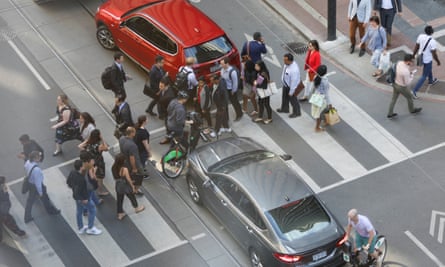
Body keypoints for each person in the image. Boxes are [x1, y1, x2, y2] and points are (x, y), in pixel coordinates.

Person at [66, 155, 102, 236]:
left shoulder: (72, 172)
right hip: (83, 198)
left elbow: (68, 183)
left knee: (79, 211)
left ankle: (81, 227)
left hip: (76, 197)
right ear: (81, 167)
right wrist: (85, 198)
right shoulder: (81, 179)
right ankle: (90, 228)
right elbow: (83, 190)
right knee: (92, 209)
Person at [24, 151, 60, 223]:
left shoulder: (28, 162)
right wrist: (40, 192)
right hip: (36, 186)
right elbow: (38, 183)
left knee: (30, 201)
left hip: (31, 184)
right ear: (35, 158)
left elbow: (25, 167)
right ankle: (51, 211)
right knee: (45, 198)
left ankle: (27, 216)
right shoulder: (37, 170)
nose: (40, 158)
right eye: (39, 157)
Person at [387, 54, 422, 118]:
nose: (413, 63)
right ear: (408, 61)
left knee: (394, 99)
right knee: (410, 97)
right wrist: (411, 75)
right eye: (412, 61)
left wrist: (409, 73)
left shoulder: (399, 63)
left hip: (395, 83)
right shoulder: (405, 71)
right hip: (401, 87)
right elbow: (407, 83)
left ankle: (390, 113)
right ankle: (412, 110)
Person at [111, 153, 145, 220]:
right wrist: (132, 186)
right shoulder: (124, 169)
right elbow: (128, 179)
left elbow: (115, 178)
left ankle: (120, 214)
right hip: (125, 186)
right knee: (132, 197)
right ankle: (137, 208)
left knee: (119, 200)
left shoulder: (113, 167)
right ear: (122, 161)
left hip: (118, 186)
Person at [411, 25, 441, 98]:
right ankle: (414, 91)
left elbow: (416, 46)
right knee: (424, 75)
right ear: (432, 32)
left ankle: (431, 80)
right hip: (427, 60)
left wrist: (413, 54)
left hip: (420, 57)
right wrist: (438, 61)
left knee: (428, 69)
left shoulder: (420, 36)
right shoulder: (432, 41)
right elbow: (434, 54)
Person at [78, 129, 109, 196]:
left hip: (91, 161)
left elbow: (80, 146)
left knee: (93, 173)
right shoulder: (99, 145)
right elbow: (106, 148)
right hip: (99, 162)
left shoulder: (88, 143)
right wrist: (103, 139)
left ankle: (94, 183)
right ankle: (100, 191)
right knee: (100, 177)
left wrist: (88, 140)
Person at [119, 127, 145, 195]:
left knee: (129, 175)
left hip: (125, 161)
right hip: (134, 164)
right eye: (134, 132)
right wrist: (134, 168)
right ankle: (135, 190)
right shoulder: (132, 146)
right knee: (140, 175)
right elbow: (132, 158)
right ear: (132, 133)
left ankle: (130, 185)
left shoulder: (121, 139)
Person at [0, 176, 26, 241]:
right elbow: (5, 202)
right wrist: (5, 192)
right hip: (2, 213)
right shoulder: (2, 192)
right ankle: (20, 233)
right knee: (10, 222)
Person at [277, 53, 301, 118]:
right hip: (286, 84)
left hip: (291, 87)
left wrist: (291, 92)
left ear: (290, 60)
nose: (284, 61)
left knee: (293, 100)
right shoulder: (287, 64)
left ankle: (297, 112)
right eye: (284, 60)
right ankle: (285, 109)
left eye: (285, 60)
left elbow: (294, 82)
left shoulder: (294, 70)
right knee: (284, 97)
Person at [220, 57, 243, 121]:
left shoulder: (232, 72)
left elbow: (235, 82)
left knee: (234, 102)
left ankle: (239, 114)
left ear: (226, 63)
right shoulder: (222, 70)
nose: (221, 65)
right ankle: (226, 118)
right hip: (225, 89)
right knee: (224, 103)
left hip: (231, 90)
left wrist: (233, 91)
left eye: (222, 64)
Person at [311, 65, 332, 132]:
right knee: (319, 113)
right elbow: (326, 93)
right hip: (322, 99)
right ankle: (317, 128)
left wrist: (313, 94)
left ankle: (326, 121)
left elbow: (313, 88)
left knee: (324, 110)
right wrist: (330, 103)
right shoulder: (324, 81)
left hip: (316, 96)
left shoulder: (316, 77)